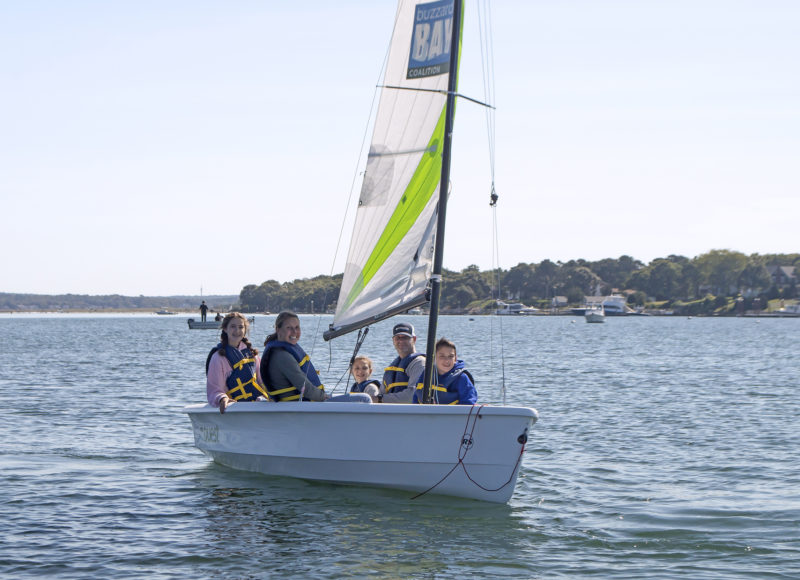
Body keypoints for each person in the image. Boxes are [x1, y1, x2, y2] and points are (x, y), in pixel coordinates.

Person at [206, 312, 268, 414]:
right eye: (233, 327)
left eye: (241, 327)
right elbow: (214, 388)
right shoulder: (218, 358)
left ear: (245, 330)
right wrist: (222, 399)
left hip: (256, 407)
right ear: (225, 329)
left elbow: (262, 382)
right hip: (233, 408)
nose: (237, 331)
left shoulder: (253, 355)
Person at [260, 311, 329, 401]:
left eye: (297, 327)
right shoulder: (281, 356)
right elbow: (304, 387)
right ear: (278, 330)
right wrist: (324, 397)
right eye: (289, 328)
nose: (294, 332)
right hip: (292, 408)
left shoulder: (283, 350)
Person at [413, 337, 477, 405]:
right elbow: (416, 398)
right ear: (434, 358)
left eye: (450, 356)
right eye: (442, 356)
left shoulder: (462, 378)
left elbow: (469, 403)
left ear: (455, 358)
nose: (447, 360)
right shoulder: (426, 375)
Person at [380, 322, 426, 404]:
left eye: (405, 338)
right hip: (391, 413)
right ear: (393, 341)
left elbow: (412, 396)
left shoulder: (420, 363)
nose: (401, 341)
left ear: (414, 339)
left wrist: (380, 399)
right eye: (397, 338)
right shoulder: (391, 368)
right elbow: (381, 394)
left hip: (411, 414)